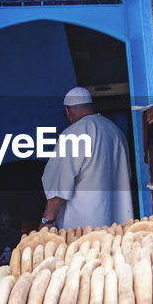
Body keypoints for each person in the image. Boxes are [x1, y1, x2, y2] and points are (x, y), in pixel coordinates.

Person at [40, 86, 133, 230]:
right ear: (91, 106)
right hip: (117, 229)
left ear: (67, 110)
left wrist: (46, 221)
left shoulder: (74, 133)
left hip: (84, 234)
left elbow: (58, 189)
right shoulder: (116, 132)